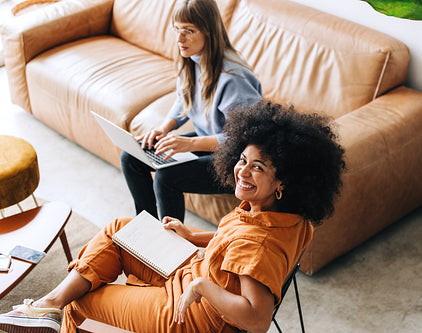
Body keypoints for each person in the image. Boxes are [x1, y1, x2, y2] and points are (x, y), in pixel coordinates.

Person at [0, 101, 346, 333]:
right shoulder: (285, 214)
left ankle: (53, 308)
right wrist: (192, 235)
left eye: (258, 167)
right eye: (242, 160)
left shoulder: (261, 245)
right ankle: (47, 304)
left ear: (283, 181)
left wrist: (202, 286)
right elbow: (234, 251)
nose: (243, 172)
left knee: (82, 300)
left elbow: (256, 319)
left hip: (187, 313)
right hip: (192, 268)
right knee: (121, 229)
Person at [120, 0, 262, 222]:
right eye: (177, 29)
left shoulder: (234, 79)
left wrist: (190, 144)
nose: (179, 39)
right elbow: (185, 98)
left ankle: (171, 248)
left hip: (236, 159)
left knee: (167, 176)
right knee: (132, 156)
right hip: (209, 143)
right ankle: (147, 227)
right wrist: (164, 128)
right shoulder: (193, 59)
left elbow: (244, 139)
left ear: (209, 32)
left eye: (188, 31)